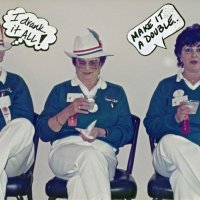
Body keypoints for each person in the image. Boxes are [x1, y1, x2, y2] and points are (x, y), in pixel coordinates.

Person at [36, 28, 133, 200]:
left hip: (103, 153)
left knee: (80, 182)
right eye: (81, 62)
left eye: (93, 62)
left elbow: (127, 131)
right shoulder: (60, 90)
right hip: (64, 151)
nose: (87, 68)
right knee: (89, 157)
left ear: (101, 63)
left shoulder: (116, 92)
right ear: (74, 63)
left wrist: (101, 132)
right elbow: (43, 132)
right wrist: (68, 111)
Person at [144, 23, 200, 200]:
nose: (194, 55)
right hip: (166, 157)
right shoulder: (166, 86)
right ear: (179, 54)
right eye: (188, 49)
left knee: (183, 179)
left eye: (199, 49)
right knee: (170, 141)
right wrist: (174, 118)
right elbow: (151, 125)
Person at [0, 24, 35, 199]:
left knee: (24, 125)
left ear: (2, 54)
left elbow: (23, 124)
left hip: (16, 159)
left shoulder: (15, 82)